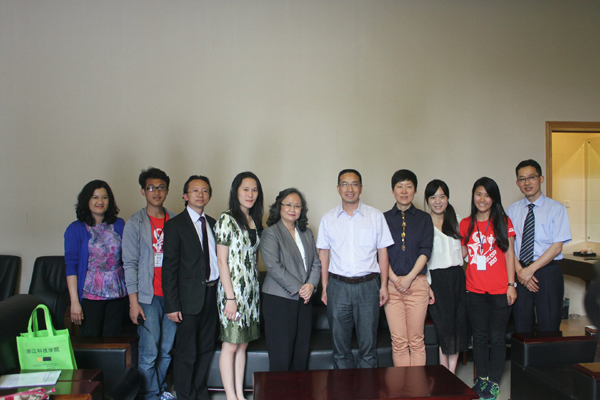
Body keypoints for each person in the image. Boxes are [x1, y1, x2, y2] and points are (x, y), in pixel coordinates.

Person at [316, 169, 394, 369]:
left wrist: (384, 286)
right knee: (340, 349)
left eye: (354, 184)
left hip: (368, 286)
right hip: (338, 287)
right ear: (338, 188)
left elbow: (383, 253)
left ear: (361, 188)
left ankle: (366, 386)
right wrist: (325, 287)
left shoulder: (375, 216)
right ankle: (344, 387)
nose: (349, 188)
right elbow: (323, 254)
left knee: (368, 348)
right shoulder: (328, 219)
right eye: (345, 184)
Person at [460, 177, 517, 400]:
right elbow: (462, 255)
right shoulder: (466, 223)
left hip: (500, 290)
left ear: (494, 198)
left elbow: (510, 254)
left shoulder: (503, 221)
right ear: (473, 196)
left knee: (497, 337)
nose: (482, 199)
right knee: (479, 337)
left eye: (487, 195)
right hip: (474, 290)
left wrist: (511, 285)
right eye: (478, 194)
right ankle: (481, 379)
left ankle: (493, 382)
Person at [162, 175, 219, 400]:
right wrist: (172, 304)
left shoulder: (214, 224)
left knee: (206, 349)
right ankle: (185, 395)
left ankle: (200, 393)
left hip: (212, 295)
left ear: (209, 196)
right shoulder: (175, 225)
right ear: (185, 195)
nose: (200, 194)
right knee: (186, 352)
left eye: (204, 191)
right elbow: (169, 268)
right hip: (187, 300)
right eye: (195, 190)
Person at [123, 167, 177, 400]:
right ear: (143, 191)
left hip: (172, 296)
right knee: (149, 352)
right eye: (151, 188)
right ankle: (150, 395)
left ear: (167, 190)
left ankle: (160, 390)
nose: (156, 192)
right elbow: (129, 264)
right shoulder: (135, 223)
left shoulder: (175, 220)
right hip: (148, 297)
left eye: (161, 187)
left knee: (166, 350)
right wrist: (133, 302)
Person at [506, 159, 571, 333]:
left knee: (549, 325)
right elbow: (508, 246)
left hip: (547, 272)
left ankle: (549, 353)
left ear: (541, 179)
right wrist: (521, 272)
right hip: (520, 272)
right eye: (522, 179)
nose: (527, 183)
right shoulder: (511, 211)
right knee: (522, 327)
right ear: (517, 183)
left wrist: (531, 270)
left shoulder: (556, 208)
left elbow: (557, 246)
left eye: (531, 177)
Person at [260, 188, 321, 371]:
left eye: (297, 206)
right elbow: (273, 267)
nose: (292, 209)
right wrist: (301, 288)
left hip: (304, 299)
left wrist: (311, 285)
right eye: (288, 204)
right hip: (279, 300)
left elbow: (316, 263)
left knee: (300, 354)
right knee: (281, 356)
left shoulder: (306, 233)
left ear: (302, 210)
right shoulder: (271, 233)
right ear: (279, 207)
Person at [215, 172, 264, 400]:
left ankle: (240, 395)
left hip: (251, 292)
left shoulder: (254, 220)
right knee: (231, 344)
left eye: (254, 190)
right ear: (236, 191)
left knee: (243, 344)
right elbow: (221, 261)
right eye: (245, 189)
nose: (250, 194)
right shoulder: (226, 219)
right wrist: (230, 298)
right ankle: (230, 396)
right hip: (232, 291)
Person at [383, 169, 434, 367]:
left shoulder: (424, 218)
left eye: (409, 186)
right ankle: (402, 386)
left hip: (417, 285)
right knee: (399, 342)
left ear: (415, 190)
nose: (404, 191)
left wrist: (409, 277)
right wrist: (395, 280)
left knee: (416, 341)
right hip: (391, 286)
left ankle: (416, 386)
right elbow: (381, 253)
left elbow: (425, 251)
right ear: (392, 190)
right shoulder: (383, 218)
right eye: (399, 186)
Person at [64, 180, 128, 337]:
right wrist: (74, 302)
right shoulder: (75, 229)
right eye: (95, 197)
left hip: (117, 294)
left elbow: (128, 259)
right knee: (91, 339)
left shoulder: (119, 224)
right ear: (86, 200)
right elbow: (71, 266)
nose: (100, 201)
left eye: (104, 197)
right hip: (90, 294)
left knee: (113, 341)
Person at [424, 179, 468, 374]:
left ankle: (451, 372)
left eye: (442, 196)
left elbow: (466, 250)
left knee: (458, 324)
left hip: (457, 276)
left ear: (448, 198)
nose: (438, 201)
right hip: (436, 279)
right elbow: (422, 258)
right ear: (427, 200)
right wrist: (427, 285)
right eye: (433, 197)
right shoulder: (423, 223)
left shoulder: (458, 221)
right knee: (444, 327)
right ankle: (445, 373)